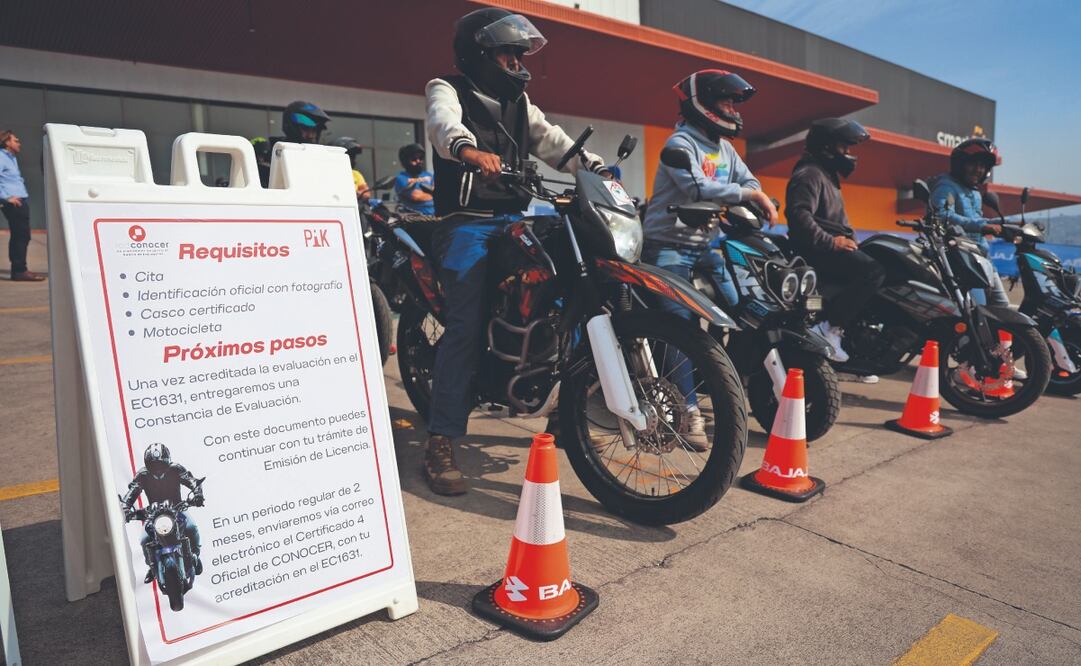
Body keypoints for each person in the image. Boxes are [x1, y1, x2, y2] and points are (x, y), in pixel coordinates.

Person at [422, 7, 609, 495]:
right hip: (465, 224)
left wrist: (593, 167)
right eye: (506, 53)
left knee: (571, 287)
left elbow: (556, 143)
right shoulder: (446, 87)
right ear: (481, 54)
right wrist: (468, 150)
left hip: (515, 218)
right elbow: (443, 126)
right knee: (465, 320)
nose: (515, 62)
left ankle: (564, 412)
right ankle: (441, 439)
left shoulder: (522, 102)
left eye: (518, 54)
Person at [642, 69, 778, 450]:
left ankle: (736, 385)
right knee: (680, 328)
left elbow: (751, 182)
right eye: (726, 101)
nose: (733, 109)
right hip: (667, 247)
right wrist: (750, 196)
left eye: (734, 102)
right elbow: (695, 187)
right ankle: (688, 414)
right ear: (702, 103)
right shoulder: (680, 144)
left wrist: (752, 193)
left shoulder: (725, 149)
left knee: (747, 304)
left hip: (707, 246)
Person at [785, 117, 884, 363]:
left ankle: (865, 347)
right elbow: (799, 217)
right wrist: (834, 242)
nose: (849, 154)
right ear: (827, 147)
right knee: (873, 271)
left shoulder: (826, 175)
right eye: (844, 147)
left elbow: (837, 219)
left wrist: (850, 237)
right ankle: (830, 328)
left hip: (828, 247)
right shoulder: (809, 173)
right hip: (816, 251)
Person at [929, 138, 1009, 308]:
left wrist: (1009, 224)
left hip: (981, 258)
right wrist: (983, 226)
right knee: (975, 312)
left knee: (1002, 307)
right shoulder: (946, 185)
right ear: (960, 164)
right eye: (973, 164)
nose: (978, 170)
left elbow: (977, 220)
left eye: (982, 166)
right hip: (961, 261)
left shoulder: (975, 192)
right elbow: (942, 214)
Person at [120, 443, 205, 584]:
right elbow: (133, 491)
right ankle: (152, 567)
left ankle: (195, 555)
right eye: (154, 465)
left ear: (167, 461)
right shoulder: (142, 475)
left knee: (192, 527)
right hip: (154, 514)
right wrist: (125, 508)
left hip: (177, 509)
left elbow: (191, 480)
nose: (157, 468)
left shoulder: (176, 469)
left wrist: (197, 494)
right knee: (144, 540)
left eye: (160, 464)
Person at [0, 130, 44, 281]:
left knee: (22, 236)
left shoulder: (11, 158)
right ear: (7, 142)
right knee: (21, 236)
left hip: (20, 201)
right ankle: (19, 271)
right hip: (14, 203)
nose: (19, 143)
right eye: (16, 140)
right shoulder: (1, 157)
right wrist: (6, 197)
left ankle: (19, 270)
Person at [257, 101, 331, 187]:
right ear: (291, 127)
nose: (311, 135)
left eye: (315, 130)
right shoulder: (272, 158)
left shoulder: (319, 160)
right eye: (305, 128)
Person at [394, 143, 435, 215]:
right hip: (416, 218)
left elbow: (441, 193)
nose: (418, 161)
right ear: (405, 161)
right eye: (414, 159)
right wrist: (434, 195)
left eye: (421, 158)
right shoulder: (401, 178)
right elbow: (416, 196)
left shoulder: (429, 175)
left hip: (436, 215)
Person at [331, 136, 371, 201]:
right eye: (350, 156)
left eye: (353, 157)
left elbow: (366, 193)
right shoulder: (329, 173)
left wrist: (356, 193)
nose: (353, 160)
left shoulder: (356, 174)